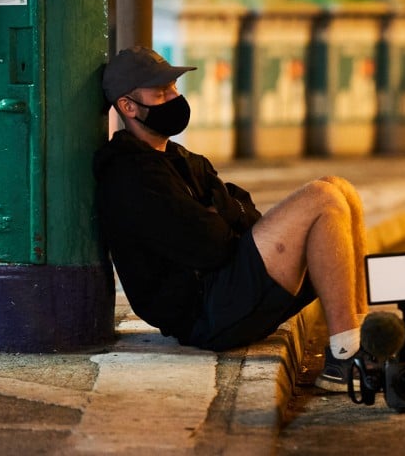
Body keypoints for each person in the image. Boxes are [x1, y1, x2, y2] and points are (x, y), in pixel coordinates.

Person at [92, 46, 370, 391]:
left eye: (174, 88)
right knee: (322, 198)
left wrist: (218, 213)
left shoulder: (181, 159)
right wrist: (222, 214)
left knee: (339, 190)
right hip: (207, 313)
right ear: (128, 107)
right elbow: (212, 247)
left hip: (226, 291)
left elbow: (245, 212)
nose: (174, 97)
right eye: (161, 93)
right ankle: (344, 358)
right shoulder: (129, 172)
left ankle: (359, 337)